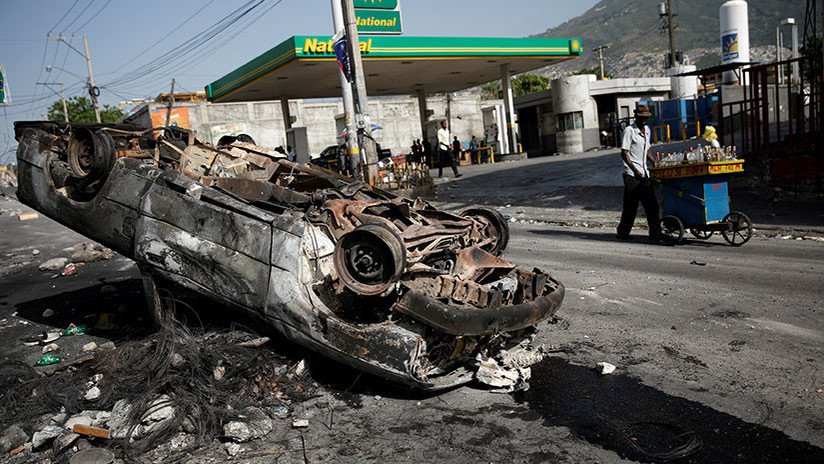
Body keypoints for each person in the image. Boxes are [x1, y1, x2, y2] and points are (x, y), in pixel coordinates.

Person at [617, 104, 660, 242]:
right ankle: (623, 232)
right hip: (632, 174)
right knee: (631, 206)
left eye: (647, 118)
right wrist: (635, 170)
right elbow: (624, 153)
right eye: (642, 118)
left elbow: (647, 149)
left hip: (644, 173)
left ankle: (655, 233)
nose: (645, 120)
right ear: (636, 117)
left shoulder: (647, 130)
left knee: (652, 205)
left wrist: (654, 161)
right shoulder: (629, 131)